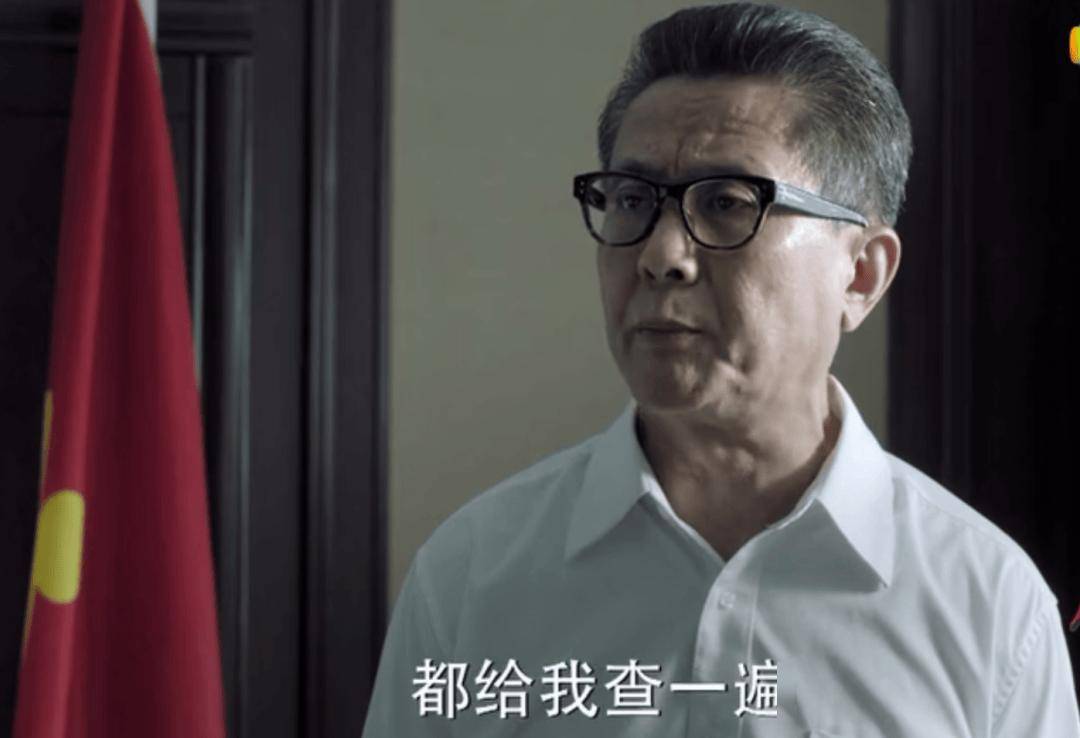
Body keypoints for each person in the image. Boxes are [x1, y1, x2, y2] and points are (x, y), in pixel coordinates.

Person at [362, 4, 1080, 736]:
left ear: (861, 274)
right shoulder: (471, 577)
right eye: (632, 200)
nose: (660, 254)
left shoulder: (989, 606)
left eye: (728, 203)